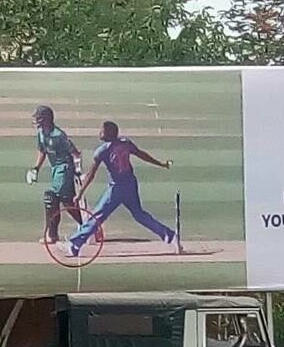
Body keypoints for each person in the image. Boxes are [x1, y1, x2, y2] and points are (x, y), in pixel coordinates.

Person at [65, 120, 176, 256]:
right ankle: (168, 235)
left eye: (103, 131)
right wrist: (161, 164)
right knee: (139, 214)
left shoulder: (102, 151)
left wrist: (80, 193)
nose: (100, 133)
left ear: (110, 134)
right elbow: (141, 154)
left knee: (98, 215)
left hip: (117, 188)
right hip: (130, 183)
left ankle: (76, 243)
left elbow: (91, 175)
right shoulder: (125, 143)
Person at [26, 105, 85, 243]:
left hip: (65, 168)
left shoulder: (59, 135)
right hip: (55, 170)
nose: (37, 121)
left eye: (39, 118)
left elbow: (75, 153)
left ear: (47, 119)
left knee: (51, 198)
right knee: (67, 202)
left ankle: (52, 235)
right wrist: (36, 168)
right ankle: (88, 226)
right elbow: (43, 151)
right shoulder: (41, 133)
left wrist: (78, 171)